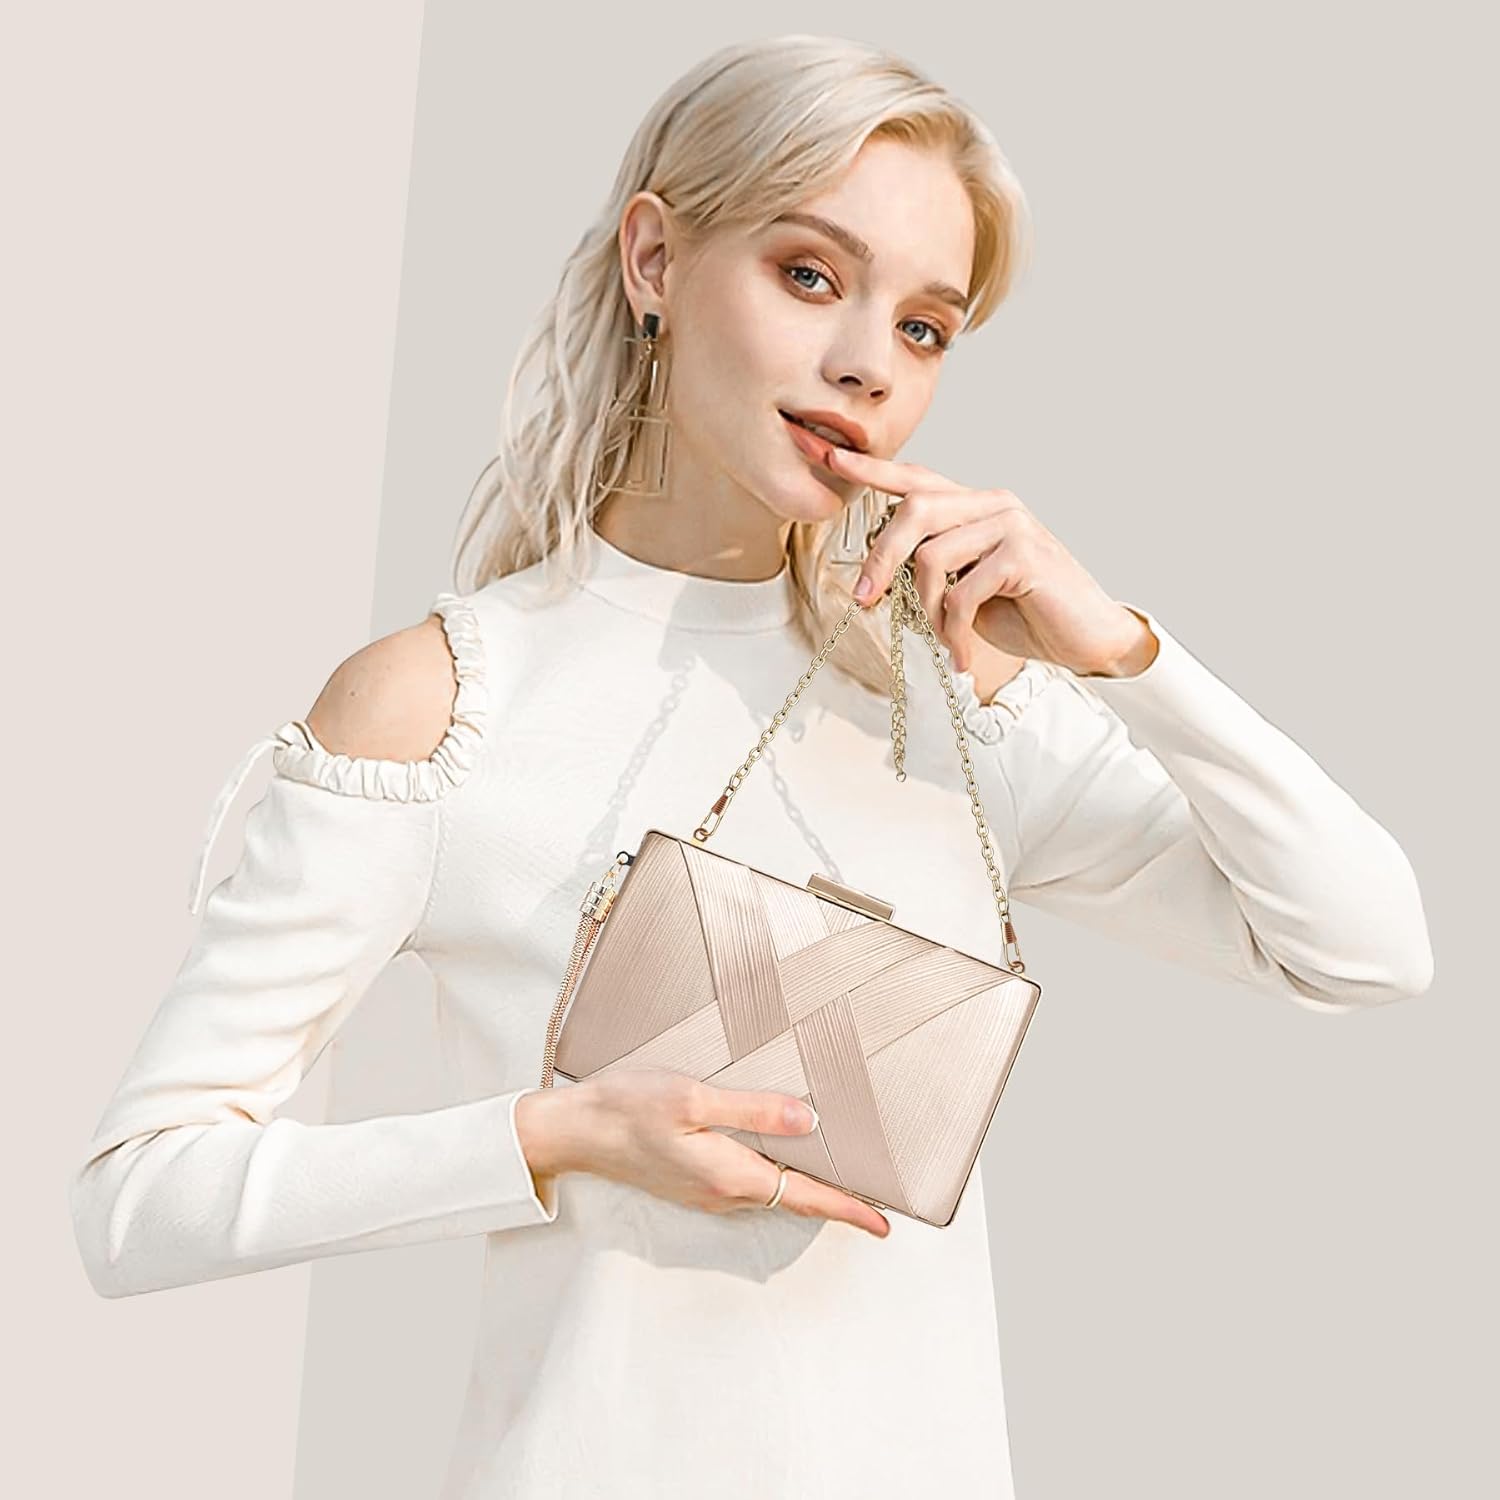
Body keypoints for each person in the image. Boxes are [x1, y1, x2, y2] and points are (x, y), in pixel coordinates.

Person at [67, 33, 1434, 1500]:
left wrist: (1126, 657)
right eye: (809, 275)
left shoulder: (943, 694)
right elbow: (137, 1199)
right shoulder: (449, 704)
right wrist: (559, 1136)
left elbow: (1365, 948)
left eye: (926, 328)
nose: (868, 364)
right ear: (655, 259)